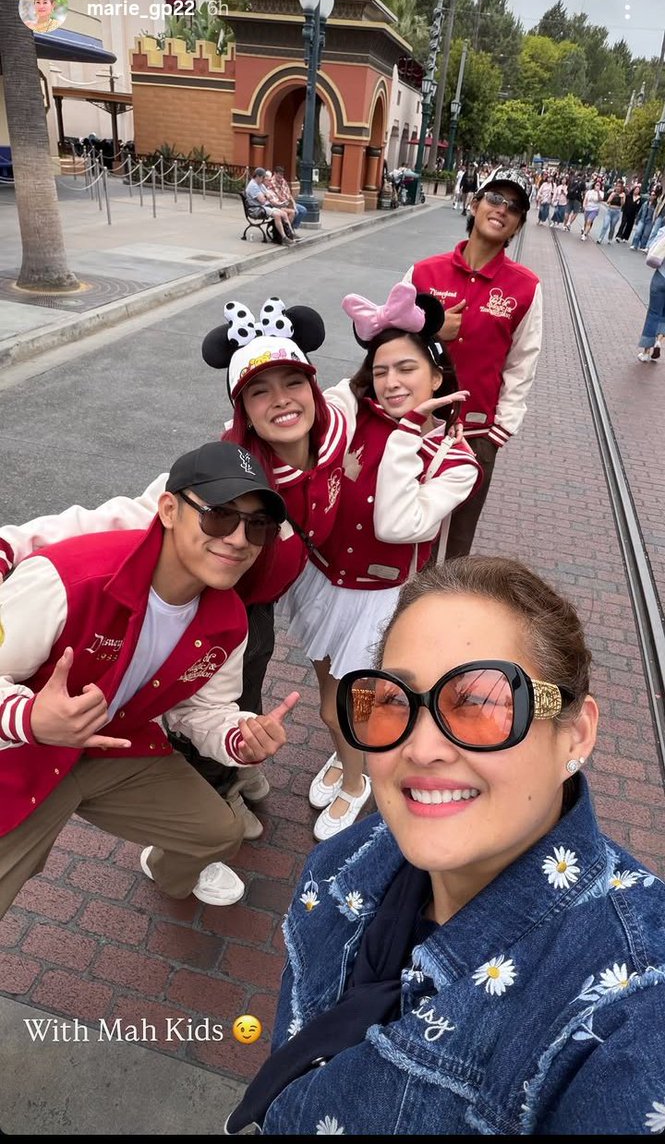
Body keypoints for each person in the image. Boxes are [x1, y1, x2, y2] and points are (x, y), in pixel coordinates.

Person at [224, 554, 665, 1137]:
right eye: (392, 702)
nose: (422, 747)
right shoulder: (346, 862)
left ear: (575, 734)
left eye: (481, 702)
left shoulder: (630, 1011)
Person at [0, 302, 335, 836]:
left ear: (314, 391)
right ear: (242, 408)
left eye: (292, 382)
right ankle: (216, 792)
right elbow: (108, 523)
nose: (281, 401)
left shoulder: (329, 452)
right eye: (258, 391)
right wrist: (12, 544)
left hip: (245, 616)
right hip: (192, 607)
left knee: (236, 706)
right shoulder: (215, 474)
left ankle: (232, 772)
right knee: (189, 703)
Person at [0, 441, 299, 918]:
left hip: (114, 749)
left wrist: (237, 739)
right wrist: (30, 716)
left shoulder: (229, 620)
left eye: (257, 526)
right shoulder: (68, 579)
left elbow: (202, 712)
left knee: (219, 832)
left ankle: (166, 870)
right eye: (220, 516)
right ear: (167, 510)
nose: (240, 539)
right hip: (22, 756)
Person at [279, 281, 480, 841]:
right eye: (383, 369)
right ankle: (349, 760)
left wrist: (408, 433)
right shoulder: (355, 410)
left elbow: (397, 525)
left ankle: (355, 777)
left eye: (408, 369)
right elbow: (312, 406)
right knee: (329, 701)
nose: (393, 383)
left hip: (377, 603)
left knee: (357, 708)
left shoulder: (455, 459)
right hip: (324, 581)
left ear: (437, 375)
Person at [404, 167, 543, 560]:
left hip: (475, 434)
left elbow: (522, 363)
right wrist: (431, 329)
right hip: (415, 424)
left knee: (455, 543)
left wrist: (500, 430)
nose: (503, 209)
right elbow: (388, 343)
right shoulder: (423, 272)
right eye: (495, 198)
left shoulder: (526, 287)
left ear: (517, 225)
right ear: (475, 202)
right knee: (398, 525)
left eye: (514, 206)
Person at [244, 168, 296, 246]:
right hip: (256, 209)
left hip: (264, 206)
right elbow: (262, 200)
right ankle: (284, 237)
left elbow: (268, 195)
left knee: (284, 214)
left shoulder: (260, 184)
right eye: (262, 177)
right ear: (258, 176)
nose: (263, 180)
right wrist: (266, 196)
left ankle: (290, 234)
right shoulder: (253, 186)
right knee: (277, 215)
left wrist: (266, 196)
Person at [636, 228, 665, 363]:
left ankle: (646, 352)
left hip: (661, 276)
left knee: (653, 313)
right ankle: (659, 340)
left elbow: (652, 246)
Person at [264, 165, 307, 235]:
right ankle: (288, 230)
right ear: (275, 173)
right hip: (281, 204)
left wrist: (293, 204)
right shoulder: (272, 182)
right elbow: (279, 197)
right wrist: (287, 202)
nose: (281, 177)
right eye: (279, 175)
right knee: (294, 212)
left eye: (282, 175)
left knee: (303, 210)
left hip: (287, 202)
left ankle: (292, 227)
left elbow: (289, 195)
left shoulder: (283, 181)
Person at [596, 179, 625, 244]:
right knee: (605, 225)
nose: (618, 188)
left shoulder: (623, 194)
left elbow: (622, 204)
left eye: (620, 186)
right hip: (610, 211)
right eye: (617, 186)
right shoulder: (613, 193)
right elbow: (608, 202)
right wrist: (612, 196)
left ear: (621, 188)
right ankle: (600, 238)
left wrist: (621, 198)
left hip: (617, 212)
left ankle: (610, 238)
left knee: (612, 226)